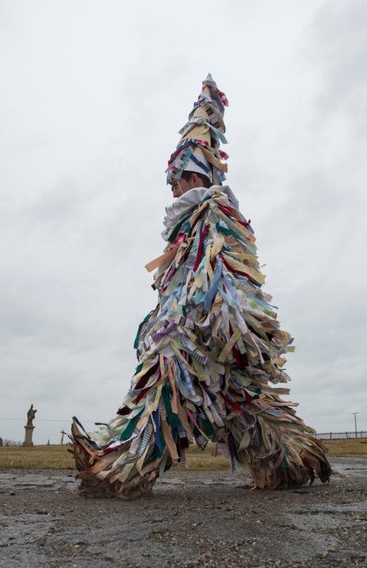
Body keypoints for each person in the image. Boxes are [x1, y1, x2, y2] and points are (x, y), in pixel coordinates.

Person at [70, 75, 331, 498]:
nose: (175, 186)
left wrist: (237, 325)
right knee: (238, 402)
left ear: (203, 176)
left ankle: (118, 470)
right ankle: (290, 459)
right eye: (172, 179)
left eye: (183, 177)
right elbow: (177, 278)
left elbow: (234, 270)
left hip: (200, 330)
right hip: (190, 325)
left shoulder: (213, 211)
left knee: (167, 386)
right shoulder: (182, 223)